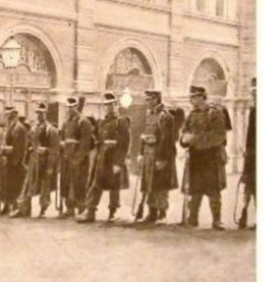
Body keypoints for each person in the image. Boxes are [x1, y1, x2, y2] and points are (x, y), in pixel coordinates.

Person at [179, 85, 228, 229]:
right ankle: (192, 219)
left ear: (201, 97)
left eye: (193, 97)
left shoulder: (215, 113)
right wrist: (184, 140)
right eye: (191, 97)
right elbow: (184, 132)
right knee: (195, 189)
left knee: (213, 190)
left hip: (211, 157)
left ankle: (216, 220)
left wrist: (194, 139)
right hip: (195, 157)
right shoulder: (192, 114)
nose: (191, 100)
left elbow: (219, 136)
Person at [78, 93, 131, 222]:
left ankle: (113, 212)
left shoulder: (121, 121)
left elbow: (125, 143)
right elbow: (97, 139)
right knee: (96, 183)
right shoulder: (102, 122)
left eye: (111, 105)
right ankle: (90, 211)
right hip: (102, 158)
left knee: (114, 187)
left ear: (116, 105)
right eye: (107, 105)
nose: (109, 108)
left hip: (114, 158)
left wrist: (118, 162)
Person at [135, 89, 178, 224]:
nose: (147, 102)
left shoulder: (165, 116)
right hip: (148, 155)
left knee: (160, 186)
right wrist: (141, 154)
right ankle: (152, 213)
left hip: (160, 155)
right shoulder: (150, 115)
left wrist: (162, 158)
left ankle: (162, 214)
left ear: (156, 99)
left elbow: (167, 139)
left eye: (149, 99)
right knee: (149, 184)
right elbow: (145, 135)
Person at [60, 96, 96, 219]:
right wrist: (63, 146)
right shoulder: (66, 122)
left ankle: (81, 208)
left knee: (80, 183)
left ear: (76, 107)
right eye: (68, 107)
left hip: (80, 159)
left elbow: (85, 143)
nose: (70, 110)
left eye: (72, 107)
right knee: (67, 182)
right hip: (67, 157)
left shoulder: (84, 122)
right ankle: (69, 208)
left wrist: (78, 158)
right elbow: (62, 137)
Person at [0, 106, 28, 214]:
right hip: (10, 160)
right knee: (8, 184)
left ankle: (16, 207)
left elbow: (19, 147)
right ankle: (8, 205)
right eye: (7, 115)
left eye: (10, 115)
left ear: (15, 115)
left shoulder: (19, 128)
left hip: (16, 161)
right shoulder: (10, 127)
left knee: (16, 185)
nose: (8, 117)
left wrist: (7, 150)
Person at [238, 78, 256, 229]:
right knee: (248, 185)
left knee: (258, 187)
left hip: (260, 156)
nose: (254, 96)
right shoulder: (253, 111)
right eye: (253, 93)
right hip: (251, 156)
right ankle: (243, 214)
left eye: (257, 93)